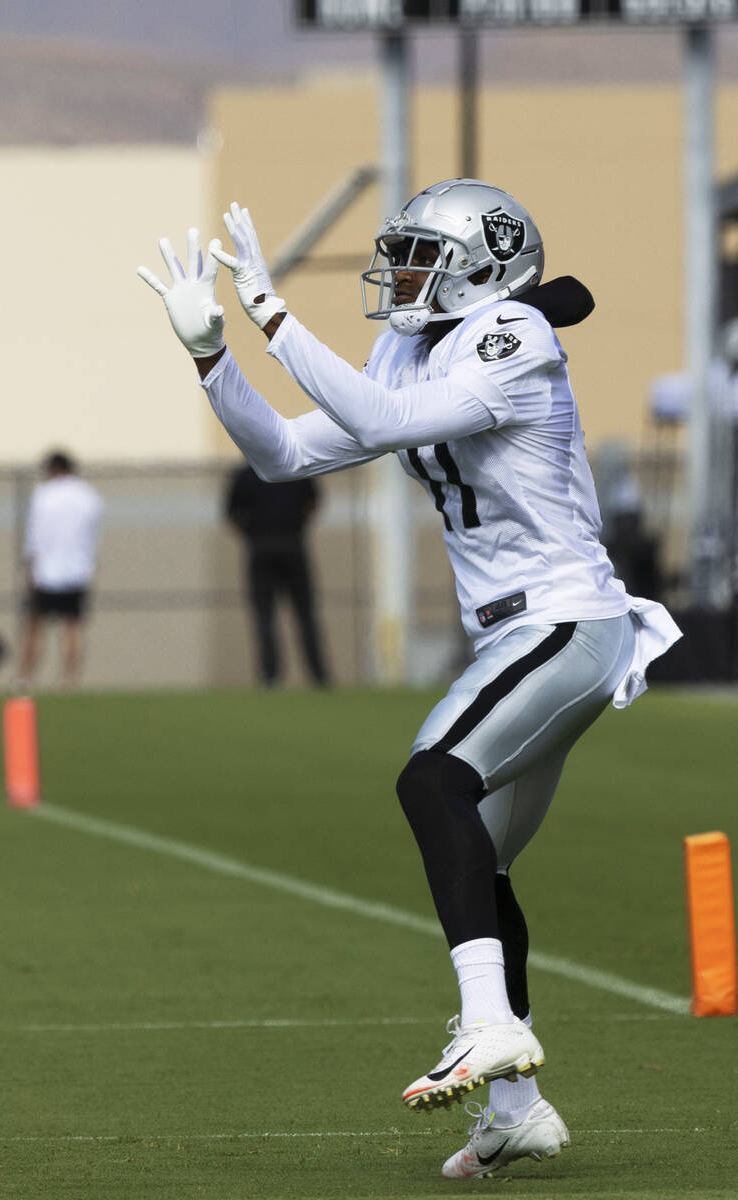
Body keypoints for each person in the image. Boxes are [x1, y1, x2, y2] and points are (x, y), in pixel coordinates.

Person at [139, 181, 681, 1180]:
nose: (400, 275)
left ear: (485, 264)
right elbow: (287, 452)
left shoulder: (511, 331)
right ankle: (514, 1108)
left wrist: (269, 313)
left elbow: (385, 422)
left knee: (431, 779)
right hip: (513, 641)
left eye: (423, 256)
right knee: (483, 858)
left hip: (567, 621)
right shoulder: (409, 343)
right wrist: (212, 357)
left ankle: (486, 1025)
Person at [224, 463, 330, 686]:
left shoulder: (245, 474)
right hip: (289, 546)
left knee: (267, 616)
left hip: (264, 548)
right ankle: (318, 677)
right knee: (303, 615)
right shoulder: (294, 469)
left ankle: (270, 677)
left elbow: (231, 515)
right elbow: (314, 503)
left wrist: (251, 535)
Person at [17, 450, 103, 690]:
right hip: (77, 571)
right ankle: (70, 680)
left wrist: (29, 570)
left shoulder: (43, 496)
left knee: (35, 627)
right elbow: (93, 538)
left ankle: (26, 679)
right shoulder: (89, 496)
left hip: (46, 572)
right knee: (72, 626)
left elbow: (34, 537)